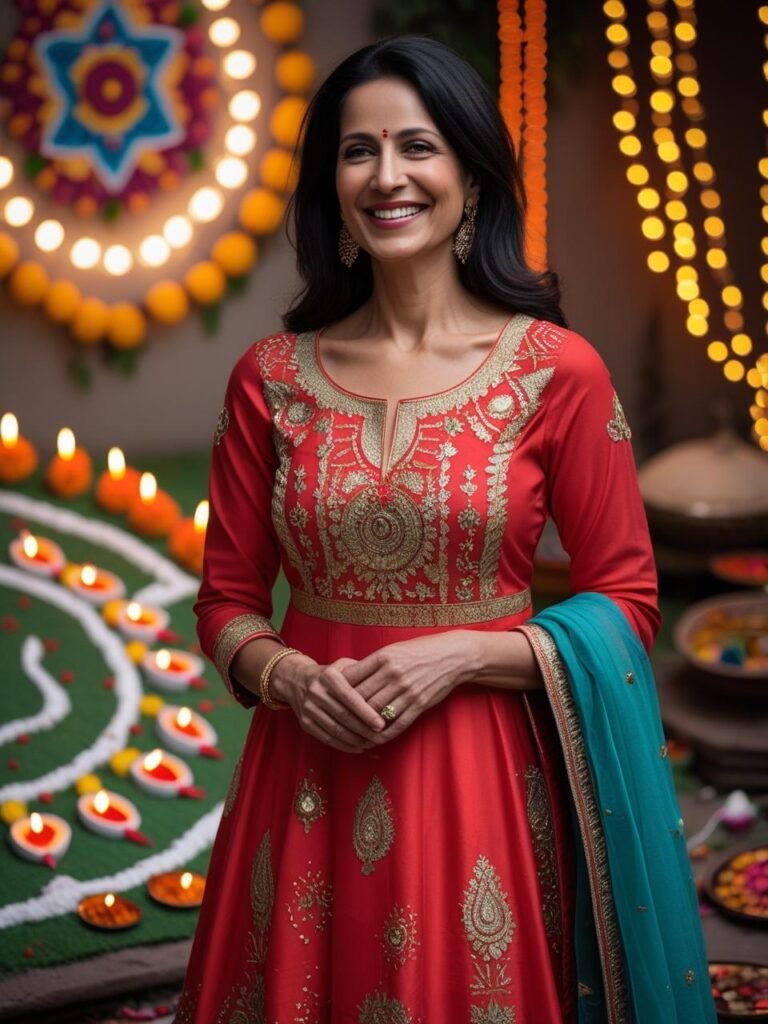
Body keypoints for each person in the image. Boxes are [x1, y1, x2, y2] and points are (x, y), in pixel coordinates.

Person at [176, 36, 715, 1024]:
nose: (387, 176)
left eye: (416, 146)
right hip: (307, 782)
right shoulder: (270, 379)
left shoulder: (556, 373)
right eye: (357, 151)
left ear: (470, 174)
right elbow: (227, 601)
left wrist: (465, 654)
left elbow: (628, 605)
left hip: (485, 787)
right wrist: (286, 672)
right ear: (330, 188)